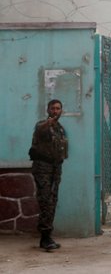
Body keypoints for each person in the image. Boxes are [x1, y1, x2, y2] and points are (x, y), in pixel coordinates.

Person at [28, 99, 68, 251]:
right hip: (43, 168)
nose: (55, 111)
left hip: (55, 168)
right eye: (53, 108)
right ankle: (45, 237)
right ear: (48, 110)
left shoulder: (60, 128)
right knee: (46, 201)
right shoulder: (42, 125)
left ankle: (47, 236)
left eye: (58, 108)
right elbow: (40, 129)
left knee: (52, 201)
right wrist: (48, 123)